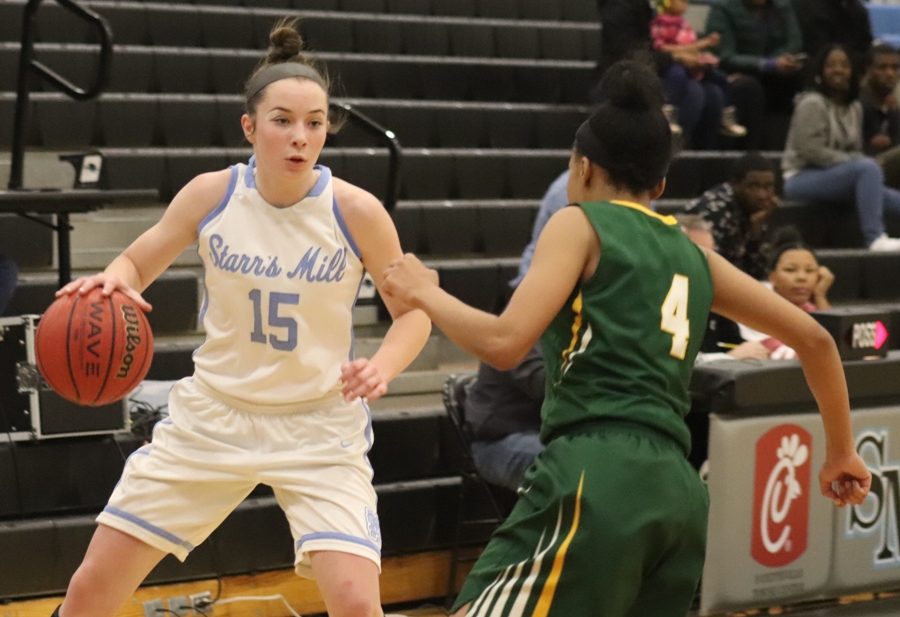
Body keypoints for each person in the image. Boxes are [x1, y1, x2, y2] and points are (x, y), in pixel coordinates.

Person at [382, 60, 870, 617]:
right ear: (659, 185)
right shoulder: (695, 255)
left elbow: (504, 343)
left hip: (598, 475)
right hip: (679, 494)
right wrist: (840, 452)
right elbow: (816, 341)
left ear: (583, 167)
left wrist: (425, 292)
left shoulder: (577, 223)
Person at [49, 18, 432, 617]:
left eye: (314, 123)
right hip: (215, 418)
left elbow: (414, 316)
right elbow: (135, 261)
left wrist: (381, 367)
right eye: (282, 121)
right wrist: (113, 281)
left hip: (319, 426)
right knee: (89, 588)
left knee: (358, 605)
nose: (299, 137)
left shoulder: (357, 211)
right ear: (250, 127)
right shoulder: (212, 194)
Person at [782, 43, 900, 251]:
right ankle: (875, 237)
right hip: (801, 177)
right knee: (868, 168)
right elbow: (810, 150)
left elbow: (854, 149)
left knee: (889, 197)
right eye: (831, 65)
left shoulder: (854, 106)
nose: (838, 70)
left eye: (844, 65)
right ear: (820, 70)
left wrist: (854, 160)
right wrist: (853, 161)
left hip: (836, 176)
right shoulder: (812, 103)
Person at [592, 0, 721, 149]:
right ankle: (662, 154)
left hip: (658, 72)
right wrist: (676, 57)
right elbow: (630, 54)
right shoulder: (619, 7)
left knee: (713, 95)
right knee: (693, 93)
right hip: (623, 79)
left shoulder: (649, 8)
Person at [704, 0, 804, 150]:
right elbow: (725, 56)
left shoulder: (782, 6)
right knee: (749, 88)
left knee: (803, 72)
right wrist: (768, 64)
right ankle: (749, 156)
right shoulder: (723, 8)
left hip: (776, 72)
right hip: (736, 74)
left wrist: (780, 60)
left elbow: (794, 42)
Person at [650, 0, 746, 139]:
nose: (685, 3)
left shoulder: (683, 23)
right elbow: (661, 47)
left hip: (695, 65)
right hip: (674, 64)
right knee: (677, 76)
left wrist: (704, 48)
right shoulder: (661, 23)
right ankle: (667, 116)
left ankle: (726, 117)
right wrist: (688, 52)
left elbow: (691, 44)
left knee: (721, 78)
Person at [739, 226, 835, 359]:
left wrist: (820, 295)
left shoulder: (811, 308)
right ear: (773, 277)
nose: (802, 277)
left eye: (809, 270)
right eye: (790, 270)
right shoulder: (756, 304)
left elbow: (835, 342)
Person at [685, 152, 779, 279]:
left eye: (768, 187)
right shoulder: (715, 211)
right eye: (753, 186)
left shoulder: (757, 210)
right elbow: (725, 273)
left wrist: (755, 230)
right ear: (735, 184)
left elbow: (758, 272)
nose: (762, 195)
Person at [465, 344, 544, 492]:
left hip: (545, 434)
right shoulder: (523, 326)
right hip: (499, 440)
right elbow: (538, 381)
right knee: (568, 461)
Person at [861, 43, 900, 189]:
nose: (890, 73)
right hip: (864, 171)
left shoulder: (891, 104)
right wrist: (870, 145)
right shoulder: (857, 103)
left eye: (895, 68)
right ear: (869, 70)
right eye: (882, 68)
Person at [792, 0, 872, 65]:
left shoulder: (858, 10)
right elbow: (820, 50)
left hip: (853, 64)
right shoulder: (813, 8)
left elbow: (866, 44)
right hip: (819, 64)